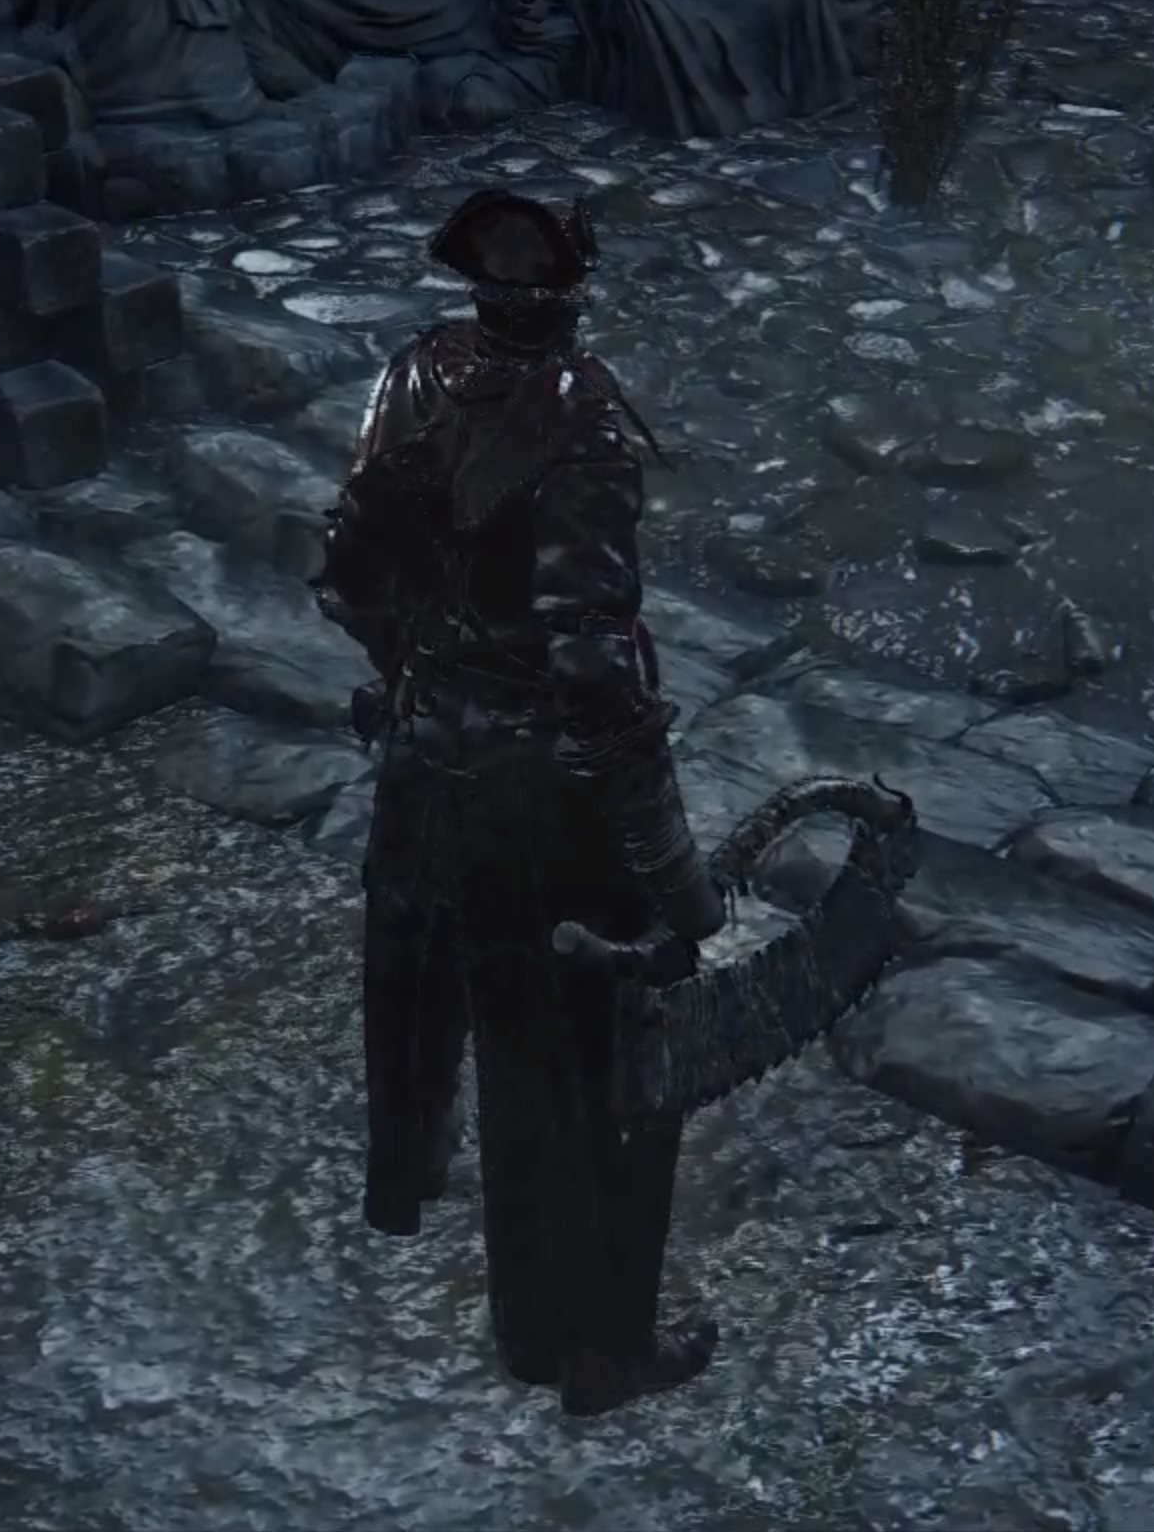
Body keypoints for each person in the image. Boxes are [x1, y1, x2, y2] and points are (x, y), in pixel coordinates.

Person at [313, 188, 729, 1418]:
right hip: (542, 800)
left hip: (425, 760)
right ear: (571, 292)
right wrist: (670, 865)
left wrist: (416, 683)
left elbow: (348, 574)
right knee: (593, 1070)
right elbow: (591, 663)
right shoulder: (583, 421)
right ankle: (593, 1353)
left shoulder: (413, 374)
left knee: (492, 1031)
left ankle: (518, 1313)